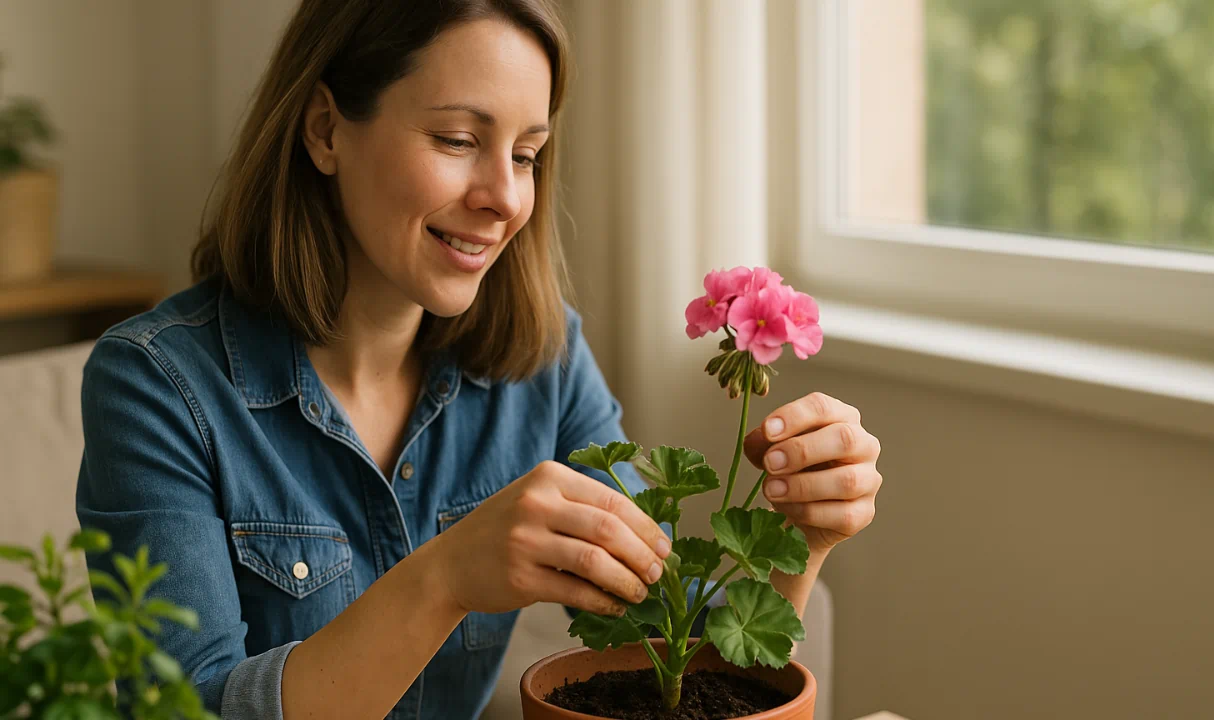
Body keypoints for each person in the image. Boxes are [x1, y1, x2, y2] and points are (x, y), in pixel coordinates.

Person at [75, 1, 883, 718]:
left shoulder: (548, 360)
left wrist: (799, 537)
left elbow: (675, 654)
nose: (505, 198)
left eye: (527, 154)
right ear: (325, 130)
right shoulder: (155, 384)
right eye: (459, 139)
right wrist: (443, 579)